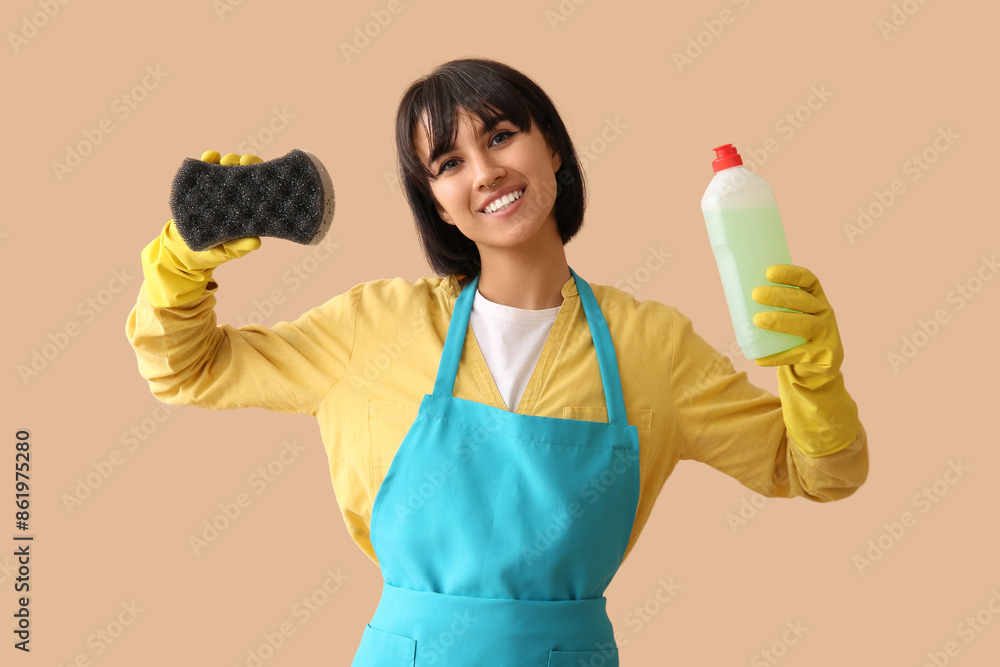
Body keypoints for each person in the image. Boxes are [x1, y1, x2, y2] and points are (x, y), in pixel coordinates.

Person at [125, 57, 868, 666]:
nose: (483, 171)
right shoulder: (374, 326)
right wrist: (183, 262)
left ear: (554, 152)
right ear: (438, 205)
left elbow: (816, 470)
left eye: (503, 135)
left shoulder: (652, 346)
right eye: (448, 162)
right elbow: (186, 367)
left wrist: (811, 371)